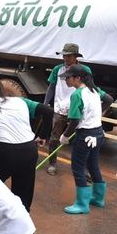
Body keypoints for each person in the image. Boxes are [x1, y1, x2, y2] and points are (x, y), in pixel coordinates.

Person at [0, 76, 53, 211]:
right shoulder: (20, 101)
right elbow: (48, 112)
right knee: (23, 197)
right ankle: (23, 226)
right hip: (29, 150)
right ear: (2, 89)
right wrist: (42, 136)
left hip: (4, 151)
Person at [58, 64, 113, 215]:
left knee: (78, 167)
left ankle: (82, 204)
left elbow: (75, 120)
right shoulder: (95, 90)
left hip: (85, 135)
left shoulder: (77, 94)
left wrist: (65, 136)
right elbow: (109, 99)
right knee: (93, 165)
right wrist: (96, 114)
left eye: (68, 78)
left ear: (78, 78)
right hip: (98, 133)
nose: (65, 81)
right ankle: (98, 198)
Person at [43, 43, 94, 176]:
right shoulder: (57, 69)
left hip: (78, 110)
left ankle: (82, 168)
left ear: (75, 56)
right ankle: (52, 164)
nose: (65, 58)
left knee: (82, 140)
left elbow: (90, 88)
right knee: (54, 138)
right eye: (63, 55)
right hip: (60, 108)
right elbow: (51, 87)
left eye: (68, 56)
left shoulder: (85, 70)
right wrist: (45, 103)